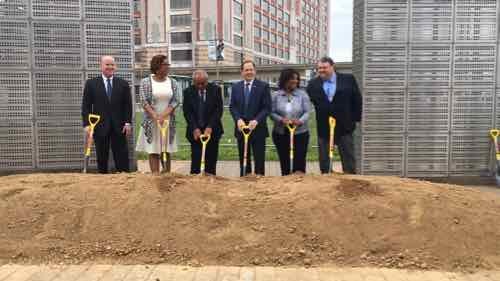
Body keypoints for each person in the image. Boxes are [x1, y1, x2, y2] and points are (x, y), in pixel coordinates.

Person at [306, 56, 362, 174]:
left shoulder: (348, 79)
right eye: (319, 68)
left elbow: (357, 99)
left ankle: (350, 178)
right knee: (324, 158)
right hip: (324, 126)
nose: (321, 70)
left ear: (332, 66)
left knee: (348, 156)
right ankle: (327, 179)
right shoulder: (312, 84)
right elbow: (309, 102)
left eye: (324, 67)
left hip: (345, 125)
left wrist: (355, 119)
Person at [81, 55, 132, 173]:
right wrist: (87, 125)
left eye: (112, 65)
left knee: (121, 156)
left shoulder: (123, 84)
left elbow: (127, 106)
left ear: (115, 66)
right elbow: (86, 106)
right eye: (107, 64)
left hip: (119, 127)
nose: (110, 67)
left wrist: (127, 123)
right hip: (99, 126)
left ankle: (125, 180)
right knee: (101, 156)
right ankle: (103, 180)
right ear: (101, 66)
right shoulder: (91, 84)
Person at [135, 55, 181, 174]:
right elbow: (144, 101)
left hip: (167, 121)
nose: (168, 67)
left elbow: (175, 101)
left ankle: (166, 175)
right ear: (157, 66)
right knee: (153, 150)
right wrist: (155, 116)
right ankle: (155, 177)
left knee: (165, 150)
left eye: (168, 64)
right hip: (151, 121)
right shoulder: (145, 82)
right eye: (165, 64)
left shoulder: (173, 82)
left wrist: (163, 116)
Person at [229, 59, 271, 176]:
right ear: (241, 72)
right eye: (246, 70)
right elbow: (233, 107)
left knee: (259, 159)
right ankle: (244, 180)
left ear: (255, 71)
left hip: (258, 128)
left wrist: (257, 120)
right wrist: (238, 119)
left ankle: (259, 182)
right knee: (244, 158)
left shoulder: (263, 86)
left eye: (251, 69)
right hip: (241, 129)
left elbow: (267, 108)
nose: (249, 72)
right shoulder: (236, 87)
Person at [270, 69, 312, 176]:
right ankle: (286, 183)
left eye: (297, 79)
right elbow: (271, 112)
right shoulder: (275, 95)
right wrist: (281, 120)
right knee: (285, 161)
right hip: (281, 133)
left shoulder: (303, 95)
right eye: (292, 79)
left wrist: (300, 121)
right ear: (285, 80)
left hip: (300, 133)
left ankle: (299, 186)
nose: (295, 81)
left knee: (299, 160)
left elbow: (307, 112)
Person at [182, 70, 224, 175]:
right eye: (197, 84)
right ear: (193, 82)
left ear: (207, 81)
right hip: (195, 133)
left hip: (212, 131)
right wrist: (195, 128)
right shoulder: (188, 92)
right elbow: (187, 112)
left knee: (211, 162)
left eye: (203, 83)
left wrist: (210, 127)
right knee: (196, 161)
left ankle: (210, 184)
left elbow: (218, 110)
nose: (200, 86)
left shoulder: (216, 90)